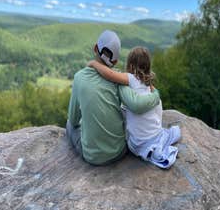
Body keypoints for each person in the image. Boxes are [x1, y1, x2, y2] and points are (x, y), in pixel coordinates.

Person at [66, 30, 160, 166]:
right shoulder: (119, 79)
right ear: (115, 61)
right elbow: (136, 104)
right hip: (119, 151)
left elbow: (74, 120)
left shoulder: (78, 78)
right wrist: (156, 94)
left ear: (95, 48)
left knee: (69, 124)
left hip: (93, 157)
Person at [88, 46, 181, 168]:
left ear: (131, 66)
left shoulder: (130, 78)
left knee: (122, 113)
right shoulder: (148, 86)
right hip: (154, 136)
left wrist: (94, 64)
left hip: (137, 145)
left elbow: (109, 74)